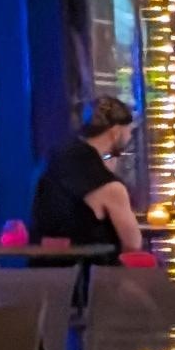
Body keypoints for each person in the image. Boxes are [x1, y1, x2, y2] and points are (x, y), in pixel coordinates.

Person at [26, 94, 146, 259]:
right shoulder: (108, 185)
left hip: (42, 272)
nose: (130, 137)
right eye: (129, 131)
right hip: (90, 276)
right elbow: (133, 243)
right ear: (116, 132)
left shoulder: (52, 159)